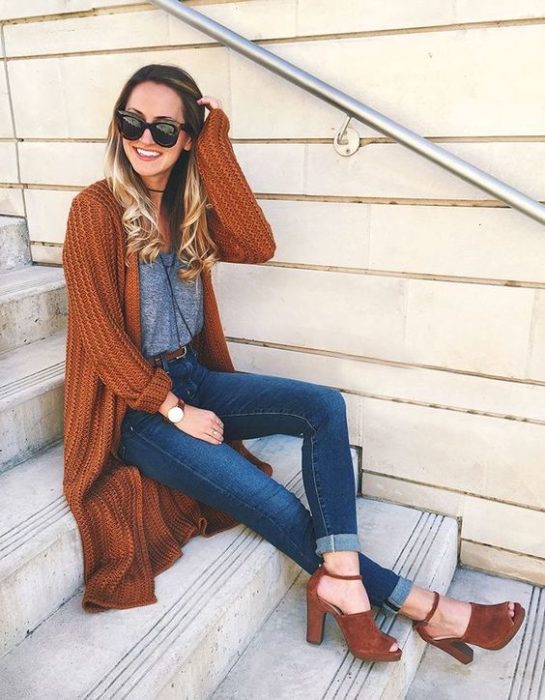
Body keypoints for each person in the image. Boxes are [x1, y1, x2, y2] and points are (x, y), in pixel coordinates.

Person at [62, 63, 525, 664]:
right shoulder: (94, 211)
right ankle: (429, 608)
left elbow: (257, 242)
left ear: (188, 140)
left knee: (322, 408)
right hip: (136, 411)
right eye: (131, 122)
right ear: (116, 126)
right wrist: (174, 410)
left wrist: (218, 145)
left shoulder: (185, 207)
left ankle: (341, 583)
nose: (145, 139)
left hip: (193, 377)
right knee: (275, 504)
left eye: (166, 130)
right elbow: (100, 339)